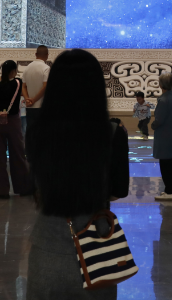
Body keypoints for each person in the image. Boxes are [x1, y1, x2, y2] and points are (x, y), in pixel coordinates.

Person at [25, 48, 130, 300]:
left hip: (47, 244)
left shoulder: (37, 132)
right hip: (97, 247)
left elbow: (35, 185)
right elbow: (118, 191)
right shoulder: (113, 133)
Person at [0, 60, 31, 198]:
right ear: (14, 71)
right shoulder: (17, 83)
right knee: (18, 154)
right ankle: (23, 188)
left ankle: (2, 191)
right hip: (12, 121)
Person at [153, 73, 172, 201]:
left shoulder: (163, 100)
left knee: (165, 164)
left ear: (161, 84)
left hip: (164, 137)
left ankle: (168, 191)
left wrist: (153, 125)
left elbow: (159, 120)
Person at [22, 45, 51, 137]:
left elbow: (23, 86)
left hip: (29, 107)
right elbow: (45, 86)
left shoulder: (27, 68)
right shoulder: (46, 68)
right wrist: (34, 100)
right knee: (42, 134)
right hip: (41, 107)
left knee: (31, 133)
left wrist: (27, 99)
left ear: (35, 54)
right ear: (47, 55)